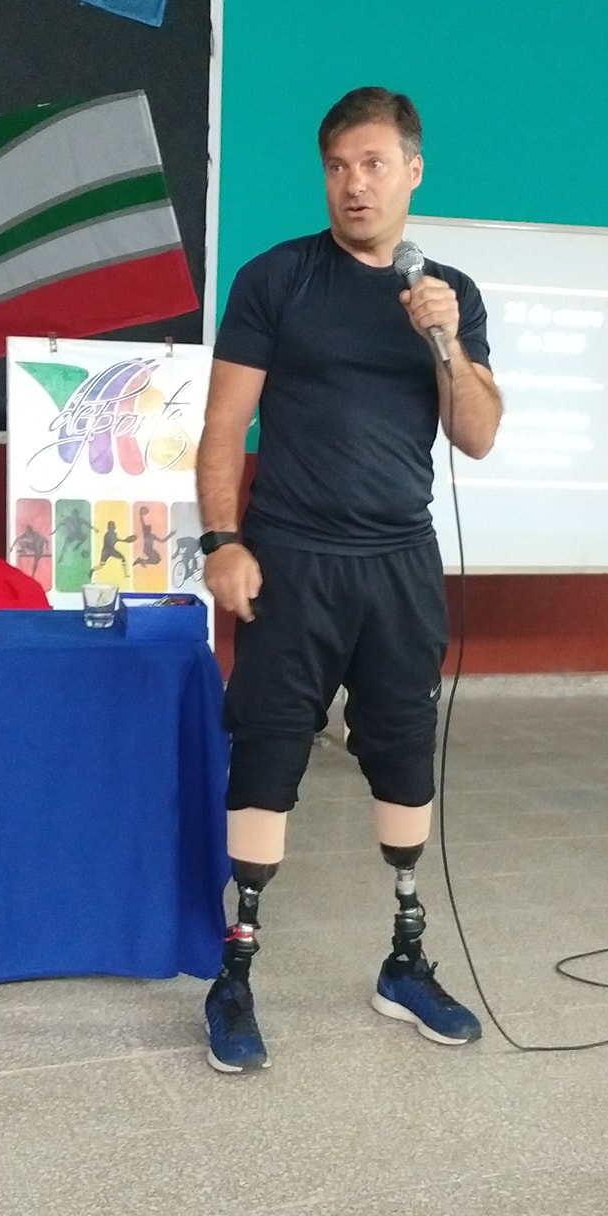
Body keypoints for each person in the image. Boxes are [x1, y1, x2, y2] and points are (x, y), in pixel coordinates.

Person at [195, 87, 504, 1073]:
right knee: (267, 751)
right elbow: (221, 426)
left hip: (400, 564)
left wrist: (445, 341)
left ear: (413, 171)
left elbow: (478, 435)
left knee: (404, 750)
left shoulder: (447, 295)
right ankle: (234, 972)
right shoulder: (277, 279)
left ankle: (404, 962)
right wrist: (221, 541)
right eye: (337, 167)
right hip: (291, 560)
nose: (353, 184)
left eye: (372, 164)